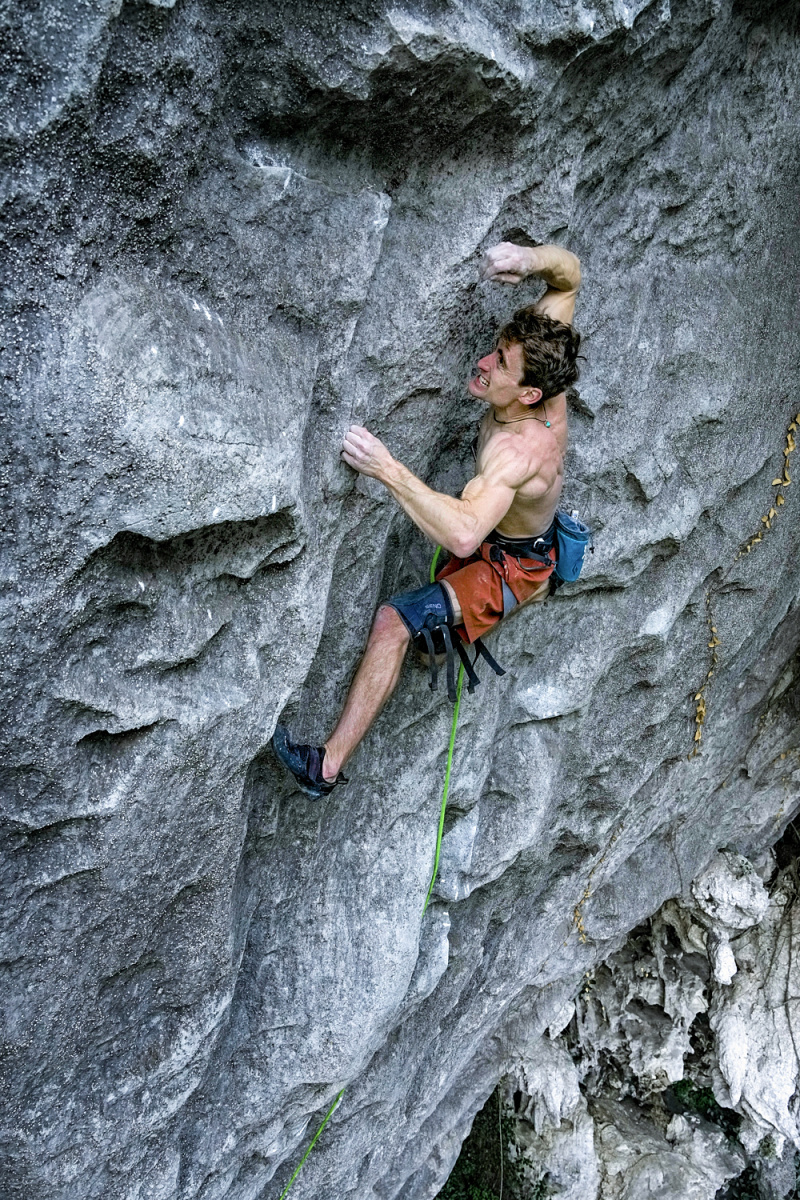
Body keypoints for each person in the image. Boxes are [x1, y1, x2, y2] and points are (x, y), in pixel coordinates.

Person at [273, 241, 582, 798]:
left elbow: (466, 531)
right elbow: (569, 280)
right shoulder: (543, 358)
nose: (485, 364)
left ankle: (325, 769)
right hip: (504, 533)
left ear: (531, 394)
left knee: (396, 621)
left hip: (513, 566)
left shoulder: (518, 452)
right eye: (494, 351)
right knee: (455, 544)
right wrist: (528, 261)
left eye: (500, 365)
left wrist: (387, 468)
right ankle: (445, 625)